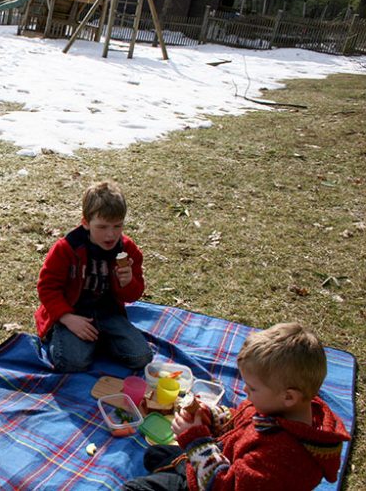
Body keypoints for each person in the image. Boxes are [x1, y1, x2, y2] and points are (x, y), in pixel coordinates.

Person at [122, 322, 351, 491]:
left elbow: (225, 486)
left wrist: (196, 442)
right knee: (155, 454)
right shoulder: (282, 407)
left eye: (252, 388)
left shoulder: (286, 460)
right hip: (224, 457)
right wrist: (211, 416)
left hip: (217, 482)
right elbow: (241, 419)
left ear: (289, 397)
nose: (244, 392)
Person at [34, 180, 151, 372]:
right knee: (72, 362)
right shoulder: (67, 249)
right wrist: (65, 317)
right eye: (102, 227)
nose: (111, 235)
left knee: (142, 357)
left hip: (107, 312)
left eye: (117, 226)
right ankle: (70, 337)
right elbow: (47, 287)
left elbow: (133, 295)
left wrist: (128, 281)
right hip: (72, 311)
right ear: (86, 223)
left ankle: (98, 340)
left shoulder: (127, 250)